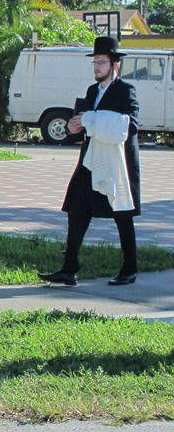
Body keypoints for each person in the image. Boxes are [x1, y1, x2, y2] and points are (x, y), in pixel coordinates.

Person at [39, 35, 141, 287]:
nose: (96, 67)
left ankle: (129, 268)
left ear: (114, 64)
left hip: (117, 163)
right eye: (94, 62)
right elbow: (85, 125)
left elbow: (130, 125)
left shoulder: (125, 90)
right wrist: (76, 127)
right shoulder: (92, 91)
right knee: (77, 210)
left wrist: (92, 120)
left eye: (101, 62)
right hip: (89, 160)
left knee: (122, 214)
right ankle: (69, 268)